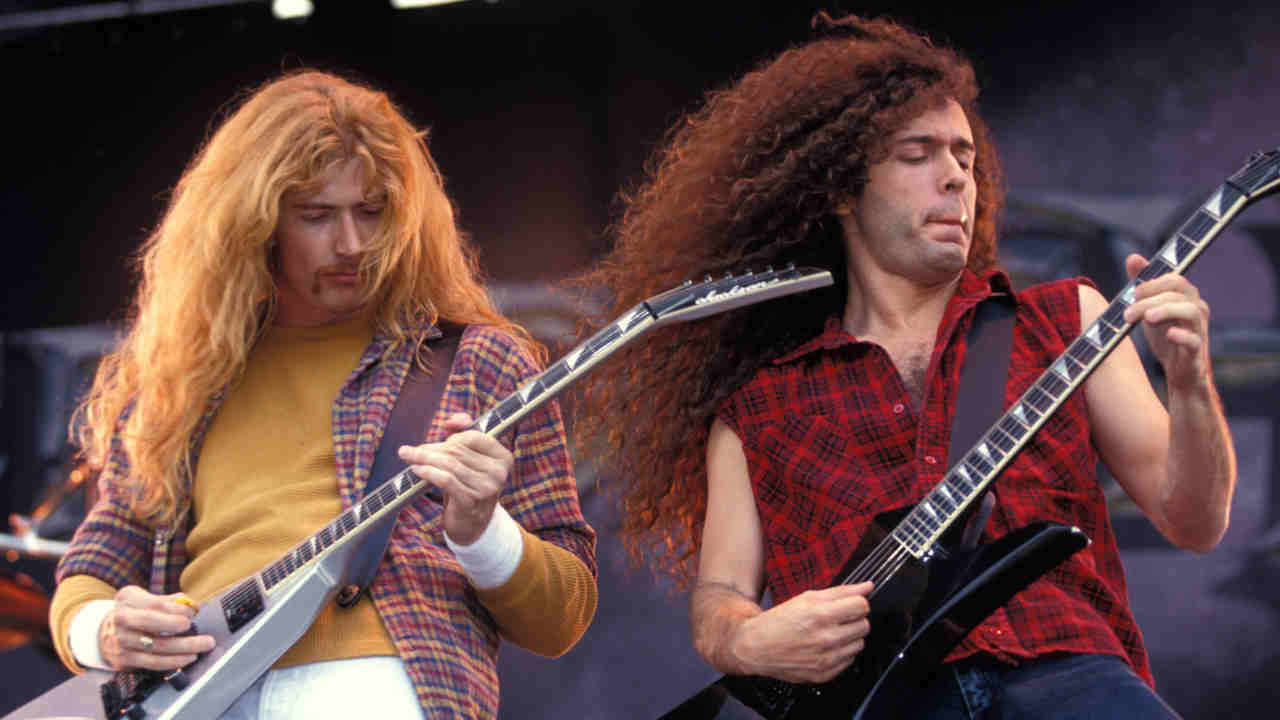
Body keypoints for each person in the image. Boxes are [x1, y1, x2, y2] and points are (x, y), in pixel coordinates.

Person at [573, 12, 1235, 718]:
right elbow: (718, 599)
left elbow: (1194, 519)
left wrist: (1190, 382)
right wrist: (747, 640)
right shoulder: (758, 409)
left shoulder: (1066, 322)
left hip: (1067, 678)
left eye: (964, 157)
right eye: (918, 154)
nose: (954, 177)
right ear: (839, 189)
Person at [48, 70, 597, 720]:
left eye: (372, 212)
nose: (352, 244)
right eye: (316, 215)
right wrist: (103, 630)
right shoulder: (182, 383)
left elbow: (562, 618)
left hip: (375, 683)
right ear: (254, 223)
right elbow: (92, 569)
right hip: (197, 694)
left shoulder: (479, 359)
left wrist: (483, 531)